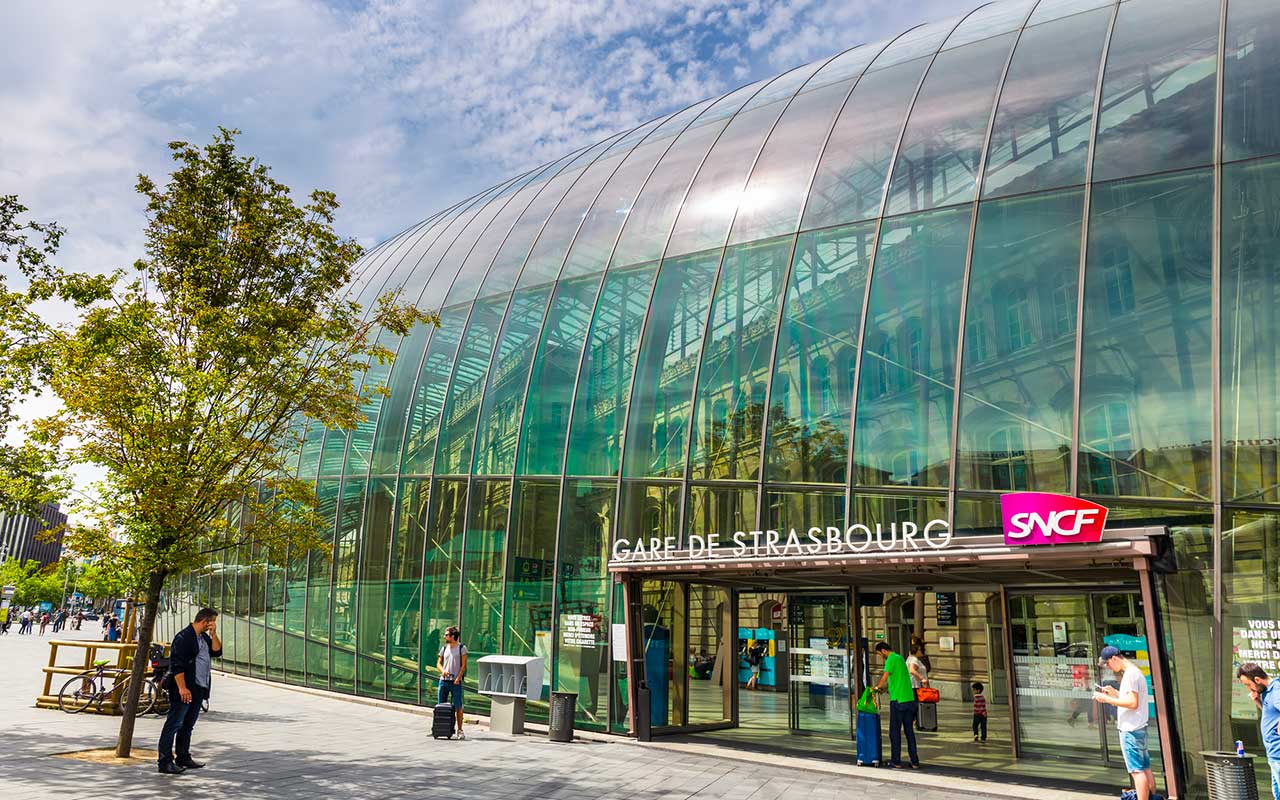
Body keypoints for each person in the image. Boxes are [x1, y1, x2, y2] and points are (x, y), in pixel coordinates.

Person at [158, 607, 222, 775]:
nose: (214, 624)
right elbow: (177, 665)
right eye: (213, 622)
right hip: (184, 688)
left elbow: (217, 652)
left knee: (187, 725)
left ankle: (183, 756)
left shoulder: (203, 638)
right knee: (174, 723)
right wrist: (182, 688)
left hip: (199, 687)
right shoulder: (184, 637)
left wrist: (214, 634)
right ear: (205, 621)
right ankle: (164, 761)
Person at [1094, 645, 1153, 800]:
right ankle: (1152, 797)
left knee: (1137, 771)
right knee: (1145, 768)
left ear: (1114, 658)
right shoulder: (1135, 672)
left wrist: (1107, 699)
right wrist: (1115, 693)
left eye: (1108, 663)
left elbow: (1133, 703)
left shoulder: (1130, 675)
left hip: (1130, 730)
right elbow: (1132, 699)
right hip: (1139, 727)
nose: (1108, 667)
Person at [874, 641, 920, 769]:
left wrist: (876, 687)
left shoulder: (890, 659)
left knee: (894, 733)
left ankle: (896, 761)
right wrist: (884, 689)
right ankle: (915, 762)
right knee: (909, 732)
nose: (880, 657)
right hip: (909, 700)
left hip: (898, 701)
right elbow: (895, 680)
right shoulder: (900, 658)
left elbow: (885, 678)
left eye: (879, 654)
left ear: (884, 651)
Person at [1238, 662, 1280, 800]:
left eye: (1248, 684)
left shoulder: (1276, 690)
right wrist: (1258, 702)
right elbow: (1272, 714)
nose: (1249, 689)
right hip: (1273, 754)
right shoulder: (1267, 692)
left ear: (1257, 679)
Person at [436, 626, 468, 740]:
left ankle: (460, 730)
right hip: (443, 681)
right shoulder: (444, 648)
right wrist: (443, 671)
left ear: (452, 636)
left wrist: (458, 678)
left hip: (456, 682)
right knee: (440, 705)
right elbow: (438, 663)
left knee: (458, 706)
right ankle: (440, 728)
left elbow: (463, 665)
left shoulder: (462, 648)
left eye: (446, 635)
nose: (444, 637)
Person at [906, 643, 929, 729]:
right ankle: (916, 720)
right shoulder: (914, 660)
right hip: (915, 685)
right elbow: (912, 670)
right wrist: (922, 678)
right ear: (916, 651)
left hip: (913, 684)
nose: (921, 651)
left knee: (914, 703)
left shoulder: (910, 658)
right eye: (919, 650)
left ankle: (915, 720)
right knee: (916, 703)